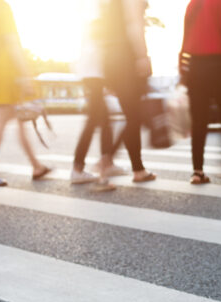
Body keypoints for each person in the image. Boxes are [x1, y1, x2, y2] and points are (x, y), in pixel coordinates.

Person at [0, 0, 51, 188]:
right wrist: (25, 74)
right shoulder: (3, 6)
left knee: (20, 121)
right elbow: (12, 43)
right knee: (2, 121)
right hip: (9, 70)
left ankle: (36, 165)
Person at [180, 0, 221, 184]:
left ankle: (197, 171)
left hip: (194, 65)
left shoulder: (193, 3)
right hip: (216, 64)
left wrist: (183, 67)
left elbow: (186, 34)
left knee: (199, 119)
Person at [69, 0, 128, 191]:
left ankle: (103, 164)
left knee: (102, 120)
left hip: (92, 71)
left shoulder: (94, 9)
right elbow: (100, 35)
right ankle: (82, 169)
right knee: (96, 120)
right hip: (94, 71)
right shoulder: (98, 10)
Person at [100, 0, 156, 184]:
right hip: (126, 58)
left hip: (111, 57)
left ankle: (135, 168)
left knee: (132, 115)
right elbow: (134, 23)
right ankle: (109, 161)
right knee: (134, 116)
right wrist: (142, 56)